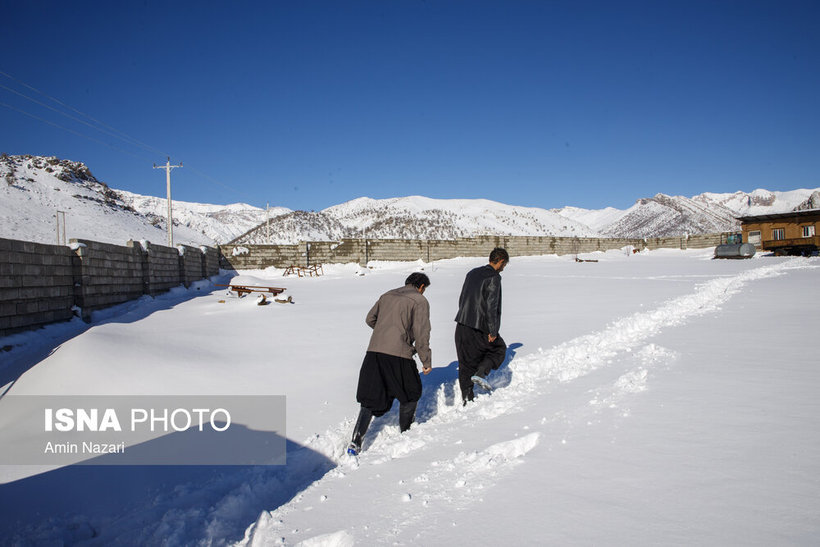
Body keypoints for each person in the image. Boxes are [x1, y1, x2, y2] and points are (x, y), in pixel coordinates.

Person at [348, 272, 433, 455]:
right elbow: (421, 334)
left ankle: (356, 440)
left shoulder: (387, 295)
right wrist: (426, 360)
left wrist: (385, 331)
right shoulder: (419, 301)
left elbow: (370, 319)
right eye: (424, 289)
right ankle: (406, 433)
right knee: (411, 392)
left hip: (374, 352)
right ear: (421, 287)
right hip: (399, 354)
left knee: (369, 397)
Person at [454, 247, 509, 404]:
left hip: (462, 324)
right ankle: (481, 372)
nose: (503, 268)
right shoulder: (494, 277)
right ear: (500, 261)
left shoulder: (472, 273)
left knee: (465, 363)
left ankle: (467, 398)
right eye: (504, 265)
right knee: (499, 349)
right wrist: (493, 331)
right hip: (479, 327)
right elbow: (492, 307)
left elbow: (462, 297)